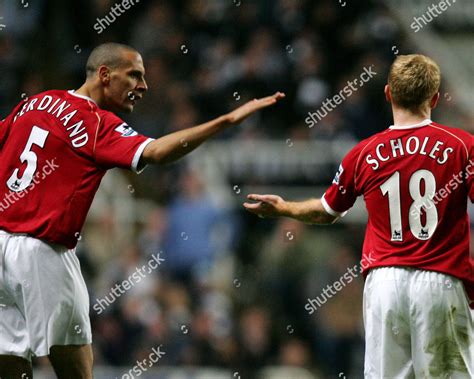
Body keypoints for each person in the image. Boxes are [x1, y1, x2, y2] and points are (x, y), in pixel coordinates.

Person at [0, 42, 284, 378]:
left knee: (10, 360)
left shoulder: (34, 103)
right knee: (76, 372)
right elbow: (157, 152)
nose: (143, 86)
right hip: (43, 251)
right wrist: (224, 121)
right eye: (134, 75)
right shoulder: (96, 123)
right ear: (105, 75)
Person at [244, 54, 473, 378]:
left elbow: (327, 211)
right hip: (440, 279)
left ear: (388, 94)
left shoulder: (363, 153)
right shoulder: (463, 146)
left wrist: (284, 207)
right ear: (435, 98)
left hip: (384, 283)